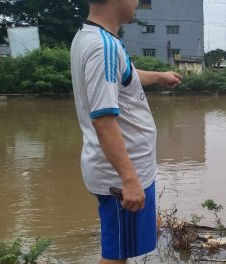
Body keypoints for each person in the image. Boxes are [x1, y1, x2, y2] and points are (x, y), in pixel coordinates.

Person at [70, 0, 182, 263]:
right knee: (116, 256)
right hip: (122, 176)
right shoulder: (103, 48)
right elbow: (104, 121)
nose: (138, 2)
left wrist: (159, 76)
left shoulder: (92, 37)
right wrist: (129, 180)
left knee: (122, 248)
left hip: (128, 170)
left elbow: (125, 75)